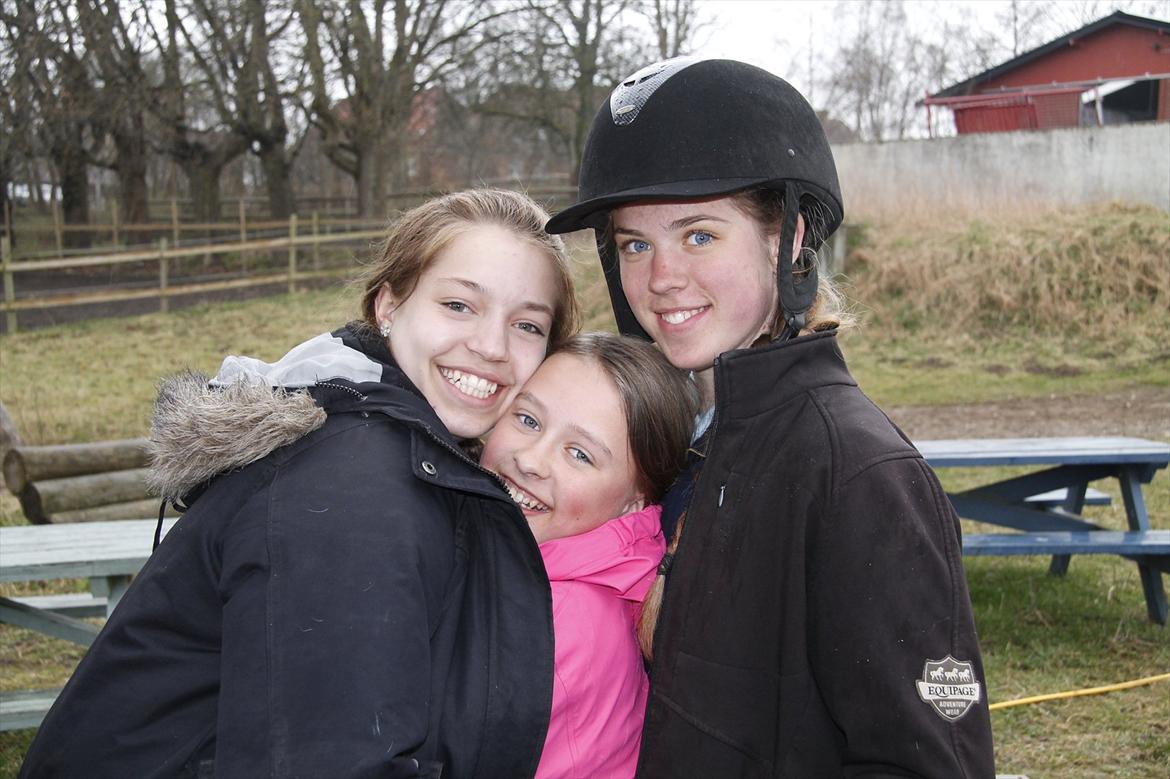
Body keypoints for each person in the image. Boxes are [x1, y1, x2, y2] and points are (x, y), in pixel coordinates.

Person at [20, 189, 580, 779]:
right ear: (389, 304)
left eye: (526, 324)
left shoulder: (407, 446)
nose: (491, 347)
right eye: (459, 305)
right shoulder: (353, 484)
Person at [545, 58, 997, 778]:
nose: (660, 278)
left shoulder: (856, 473)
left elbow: (928, 763)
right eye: (635, 243)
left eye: (698, 235)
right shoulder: (672, 442)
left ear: (785, 239)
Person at [480, 332, 696, 779]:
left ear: (635, 501)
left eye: (579, 454)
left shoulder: (554, 622)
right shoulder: (541, 571)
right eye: (528, 419)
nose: (531, 460)